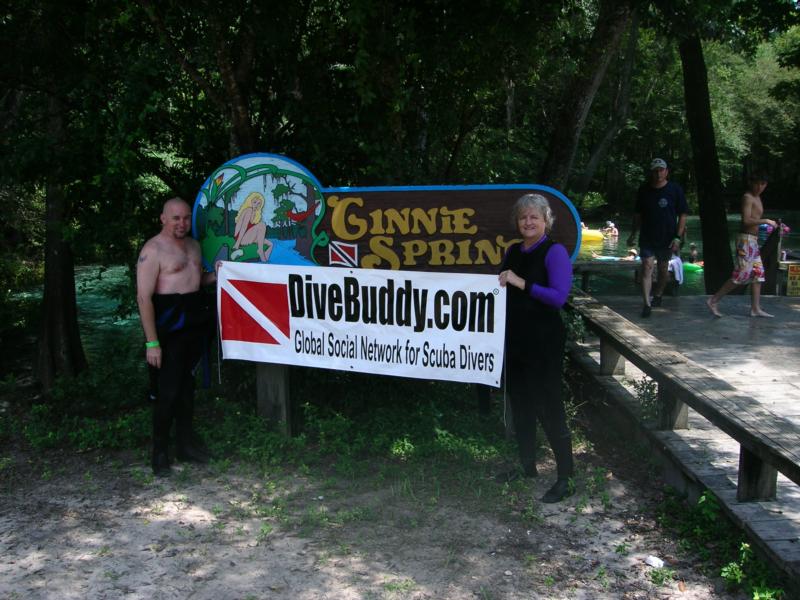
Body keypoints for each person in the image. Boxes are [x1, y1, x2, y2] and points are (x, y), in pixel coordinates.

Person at [497, 193, 574, 503]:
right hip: (516, 340)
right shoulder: (513, 250)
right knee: (522, 405)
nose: (528, 222)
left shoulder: (554, 252)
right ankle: (527, 466)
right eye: (523, 217)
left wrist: (522, 283)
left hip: (544, 343)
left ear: (546, 220)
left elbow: (559, 297)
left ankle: (566, 478)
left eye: (534, 217)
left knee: (549, 407)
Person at [137, 197, 217, 476]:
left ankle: (185, 446)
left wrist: (216, 274)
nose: (182, 223)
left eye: (185, 218)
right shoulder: (153, 250)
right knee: (167, 392)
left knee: (187, 391)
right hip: (168, 328)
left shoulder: (194, 246)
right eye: (176, 218)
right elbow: (144, 298)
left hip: (195, 324)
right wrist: (152, 342)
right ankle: (159, 453)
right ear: (163, 218)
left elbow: (197, 281)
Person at [706, 173, 776, 318]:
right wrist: (766, 221)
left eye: (763, 184)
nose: (760, 187)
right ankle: (713, 300)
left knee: (758, 274)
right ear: (751, 182)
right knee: (741, 274)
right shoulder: (747, 197)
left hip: (753, 241)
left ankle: (755, 309)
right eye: (758, 183)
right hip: (745, 240)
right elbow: (746, 221)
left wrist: (769, 225)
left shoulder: (758, 197)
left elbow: (755, 219)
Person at [626, 158, 689, 317]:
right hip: (647, 236)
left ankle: (659, 294)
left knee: (663, 270)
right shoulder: (644, 190)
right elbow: (638, 214)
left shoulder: (675, 190)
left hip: (667, 237)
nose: (658, 173)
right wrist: (633, 234)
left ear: (666, 172)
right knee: (647, 267)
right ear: (651, 173)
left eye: (661, 170)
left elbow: (683, 214)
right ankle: (646, 304)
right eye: (655, 171)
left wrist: (677, 237)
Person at [231, 191, 273, 262]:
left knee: (271, 244)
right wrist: (237, 243)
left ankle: (264, 261)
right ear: (250, 201)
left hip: (249, 237)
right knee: (262, 225)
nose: (256, 205)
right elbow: (243, 227)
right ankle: (260, 250)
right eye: (255, 202)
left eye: (259, 203)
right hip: (241, 238)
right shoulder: (248, 210)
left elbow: (254, 231)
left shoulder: (255, 214)